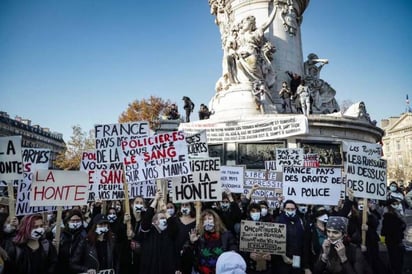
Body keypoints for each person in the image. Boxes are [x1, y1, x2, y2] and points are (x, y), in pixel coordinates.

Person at [138, 190, 179, 274]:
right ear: (154, 221)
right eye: (161, 218)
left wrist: (165, 211)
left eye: (165, 218)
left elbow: (175, 228)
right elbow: (146, 221)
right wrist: (155, 200)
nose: (164, 220)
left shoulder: (168, 233)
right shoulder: (148, 232)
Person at [189, 209, 238, 274]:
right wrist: (192, 242)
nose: (207, 221)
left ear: (216, 221)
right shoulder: (199, 236)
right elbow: (190, 255)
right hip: (201, 271)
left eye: (209, 218)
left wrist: (233, 251)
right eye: (205, 219)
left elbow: (233, 246)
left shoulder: (226, 235)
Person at [273, 200, 305, 274]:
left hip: (297, 258)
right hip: (282, 259)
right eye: (288, 209)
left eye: (292, 209)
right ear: (284, 209)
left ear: (295, 209)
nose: (290, 210)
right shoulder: (278, 220)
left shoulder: (300, 220)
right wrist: (283, 256)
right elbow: (275, 240)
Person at [56, 209, 87, 274]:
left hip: (79, 269)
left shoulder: (85, 235)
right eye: (73, 220)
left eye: (78, 220)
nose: (75, 223)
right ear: (68, 221)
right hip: (63, 268)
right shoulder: (62, 234)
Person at [381, 198, 407, 274]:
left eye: (397, 203)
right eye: (395, 204)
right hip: (392, 241)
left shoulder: (397, 214)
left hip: (397, 240)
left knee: (397, 259)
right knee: (395, 260)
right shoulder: (388, 216)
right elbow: (385, 230)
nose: (397, 205)